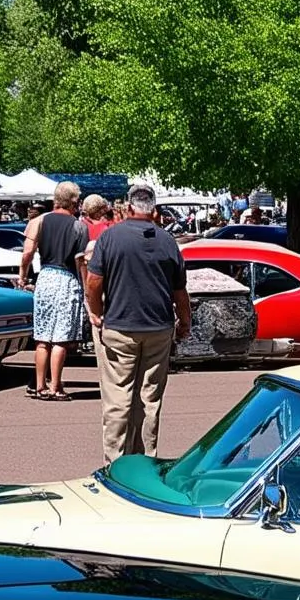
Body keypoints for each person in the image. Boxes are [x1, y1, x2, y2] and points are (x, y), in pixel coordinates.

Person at [85, 184, 192, 464]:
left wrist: (95, 313)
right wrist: (185, 322)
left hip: (120, 326)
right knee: (149, 399)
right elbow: (180, 292)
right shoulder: (168, 242)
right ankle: (144, 462)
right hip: (158, 327)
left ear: (129, 208)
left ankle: (116, 463)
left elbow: (93, 283)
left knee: (118, 398)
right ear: (155, 211)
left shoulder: (110, 239)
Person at [17, 181, 87, 401]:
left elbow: (27, 252)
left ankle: (39, 386)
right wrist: (86, 287)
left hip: (45, 277)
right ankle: (56, 386)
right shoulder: (79, 227)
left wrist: (22, 275)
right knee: (60, 338)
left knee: (42, 336)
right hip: (66, 278)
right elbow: (80, 260)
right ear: (75, 203)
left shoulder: (39, 221)